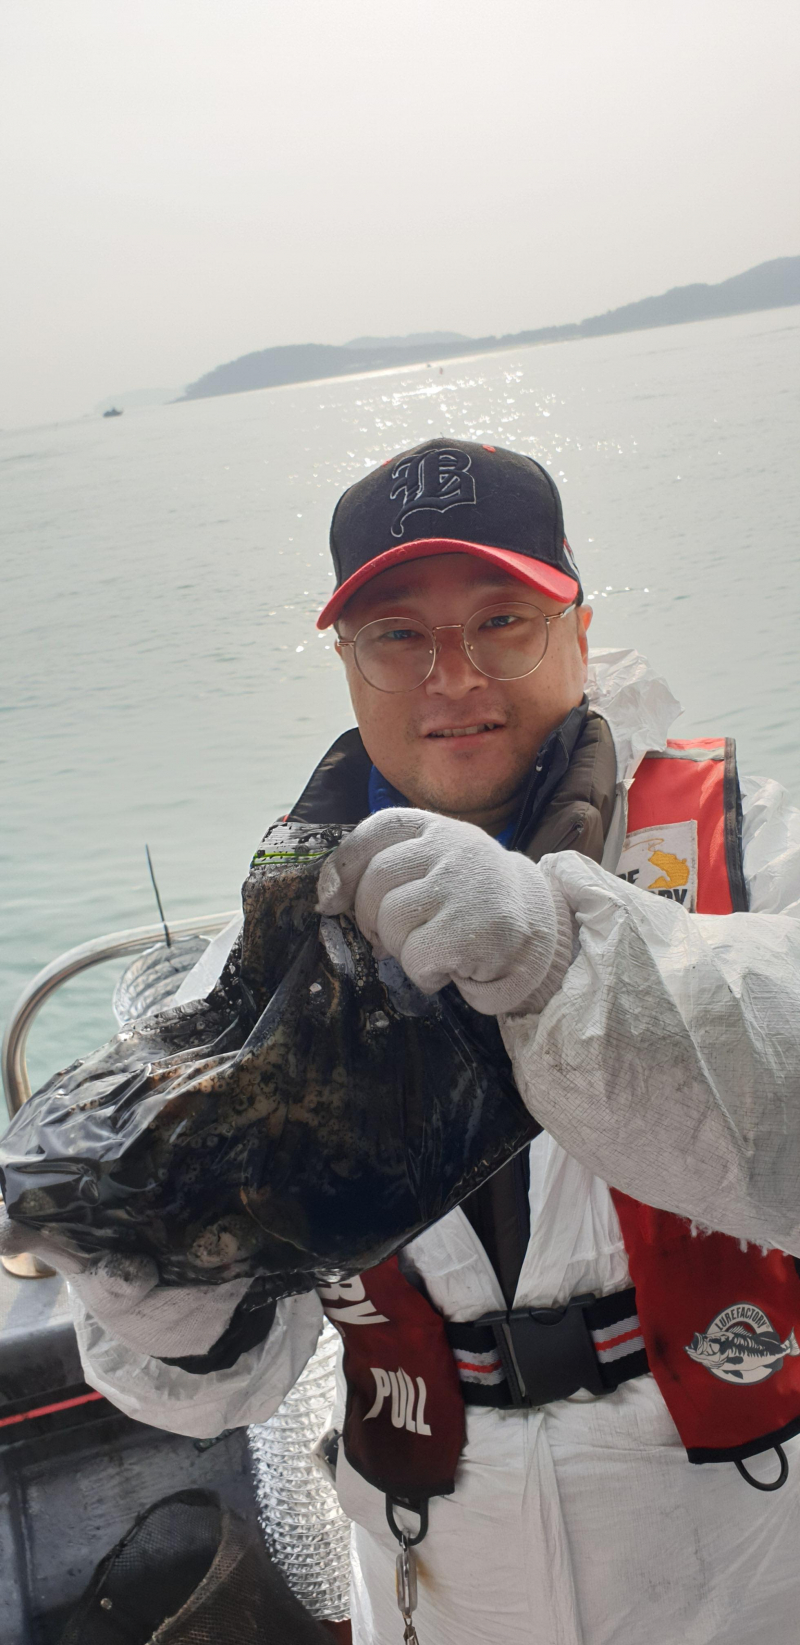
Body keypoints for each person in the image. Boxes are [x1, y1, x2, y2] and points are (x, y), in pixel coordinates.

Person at [5, 437, 800, 1645]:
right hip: (438, 1555)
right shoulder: (254, 968)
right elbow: (215, 1391)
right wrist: (158, 1299)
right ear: (345, 662)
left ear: (578, 630)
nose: (452, 678)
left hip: (746, 1539)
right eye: (396, 633)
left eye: (501, 621)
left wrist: (563, 956)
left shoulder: (751, 847)